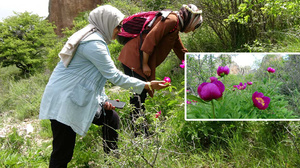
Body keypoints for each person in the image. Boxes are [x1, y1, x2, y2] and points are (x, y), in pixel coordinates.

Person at [39, 5, 169, 168]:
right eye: (118, 26)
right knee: (62, 152)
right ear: (106, 23)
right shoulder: (93, 43)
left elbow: (93, 78)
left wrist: (104, 100)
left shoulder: (94, 38)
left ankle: (112, 159)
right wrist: (147, 85)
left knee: (110, 116)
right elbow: (113, 76)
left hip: (77, 96)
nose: (120, 30)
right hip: (64, 101)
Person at [118, 4, 203, 136]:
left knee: (141, 94)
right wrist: (145, 64)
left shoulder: (175, 25)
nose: (193, 30)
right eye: (195, 26)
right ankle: (139, 133)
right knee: (139, 95)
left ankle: (141, 129)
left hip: (137, 57)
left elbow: (180, 49)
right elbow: (151, 39)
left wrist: (194, 65)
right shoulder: (172, 21)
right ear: (190, 20)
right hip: (134, 58)